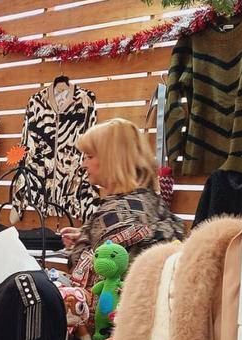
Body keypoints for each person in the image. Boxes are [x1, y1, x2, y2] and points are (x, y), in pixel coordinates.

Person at [60, 118, 186, 286]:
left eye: (89, 156)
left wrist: (80, 244)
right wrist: (87, 234)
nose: (83, 164)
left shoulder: (114, 214)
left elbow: (91, 277)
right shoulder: (149, 200)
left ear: (111, 160)